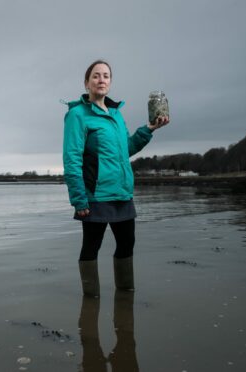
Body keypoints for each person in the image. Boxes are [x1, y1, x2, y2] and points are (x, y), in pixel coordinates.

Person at [63, 60, 169, 298]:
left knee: (127, 244)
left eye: (106, 76)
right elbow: (72, 160)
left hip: (122, 193)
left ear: (110, 82)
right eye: (96, 76)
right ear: (86, 83)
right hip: (96, 195)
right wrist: (79, 199)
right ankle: (91, 301)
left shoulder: (116, 115)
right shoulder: (77, 115)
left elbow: (125, 149)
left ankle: (125, 296)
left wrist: (149, 129)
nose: (101, 80)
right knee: (91, 247)